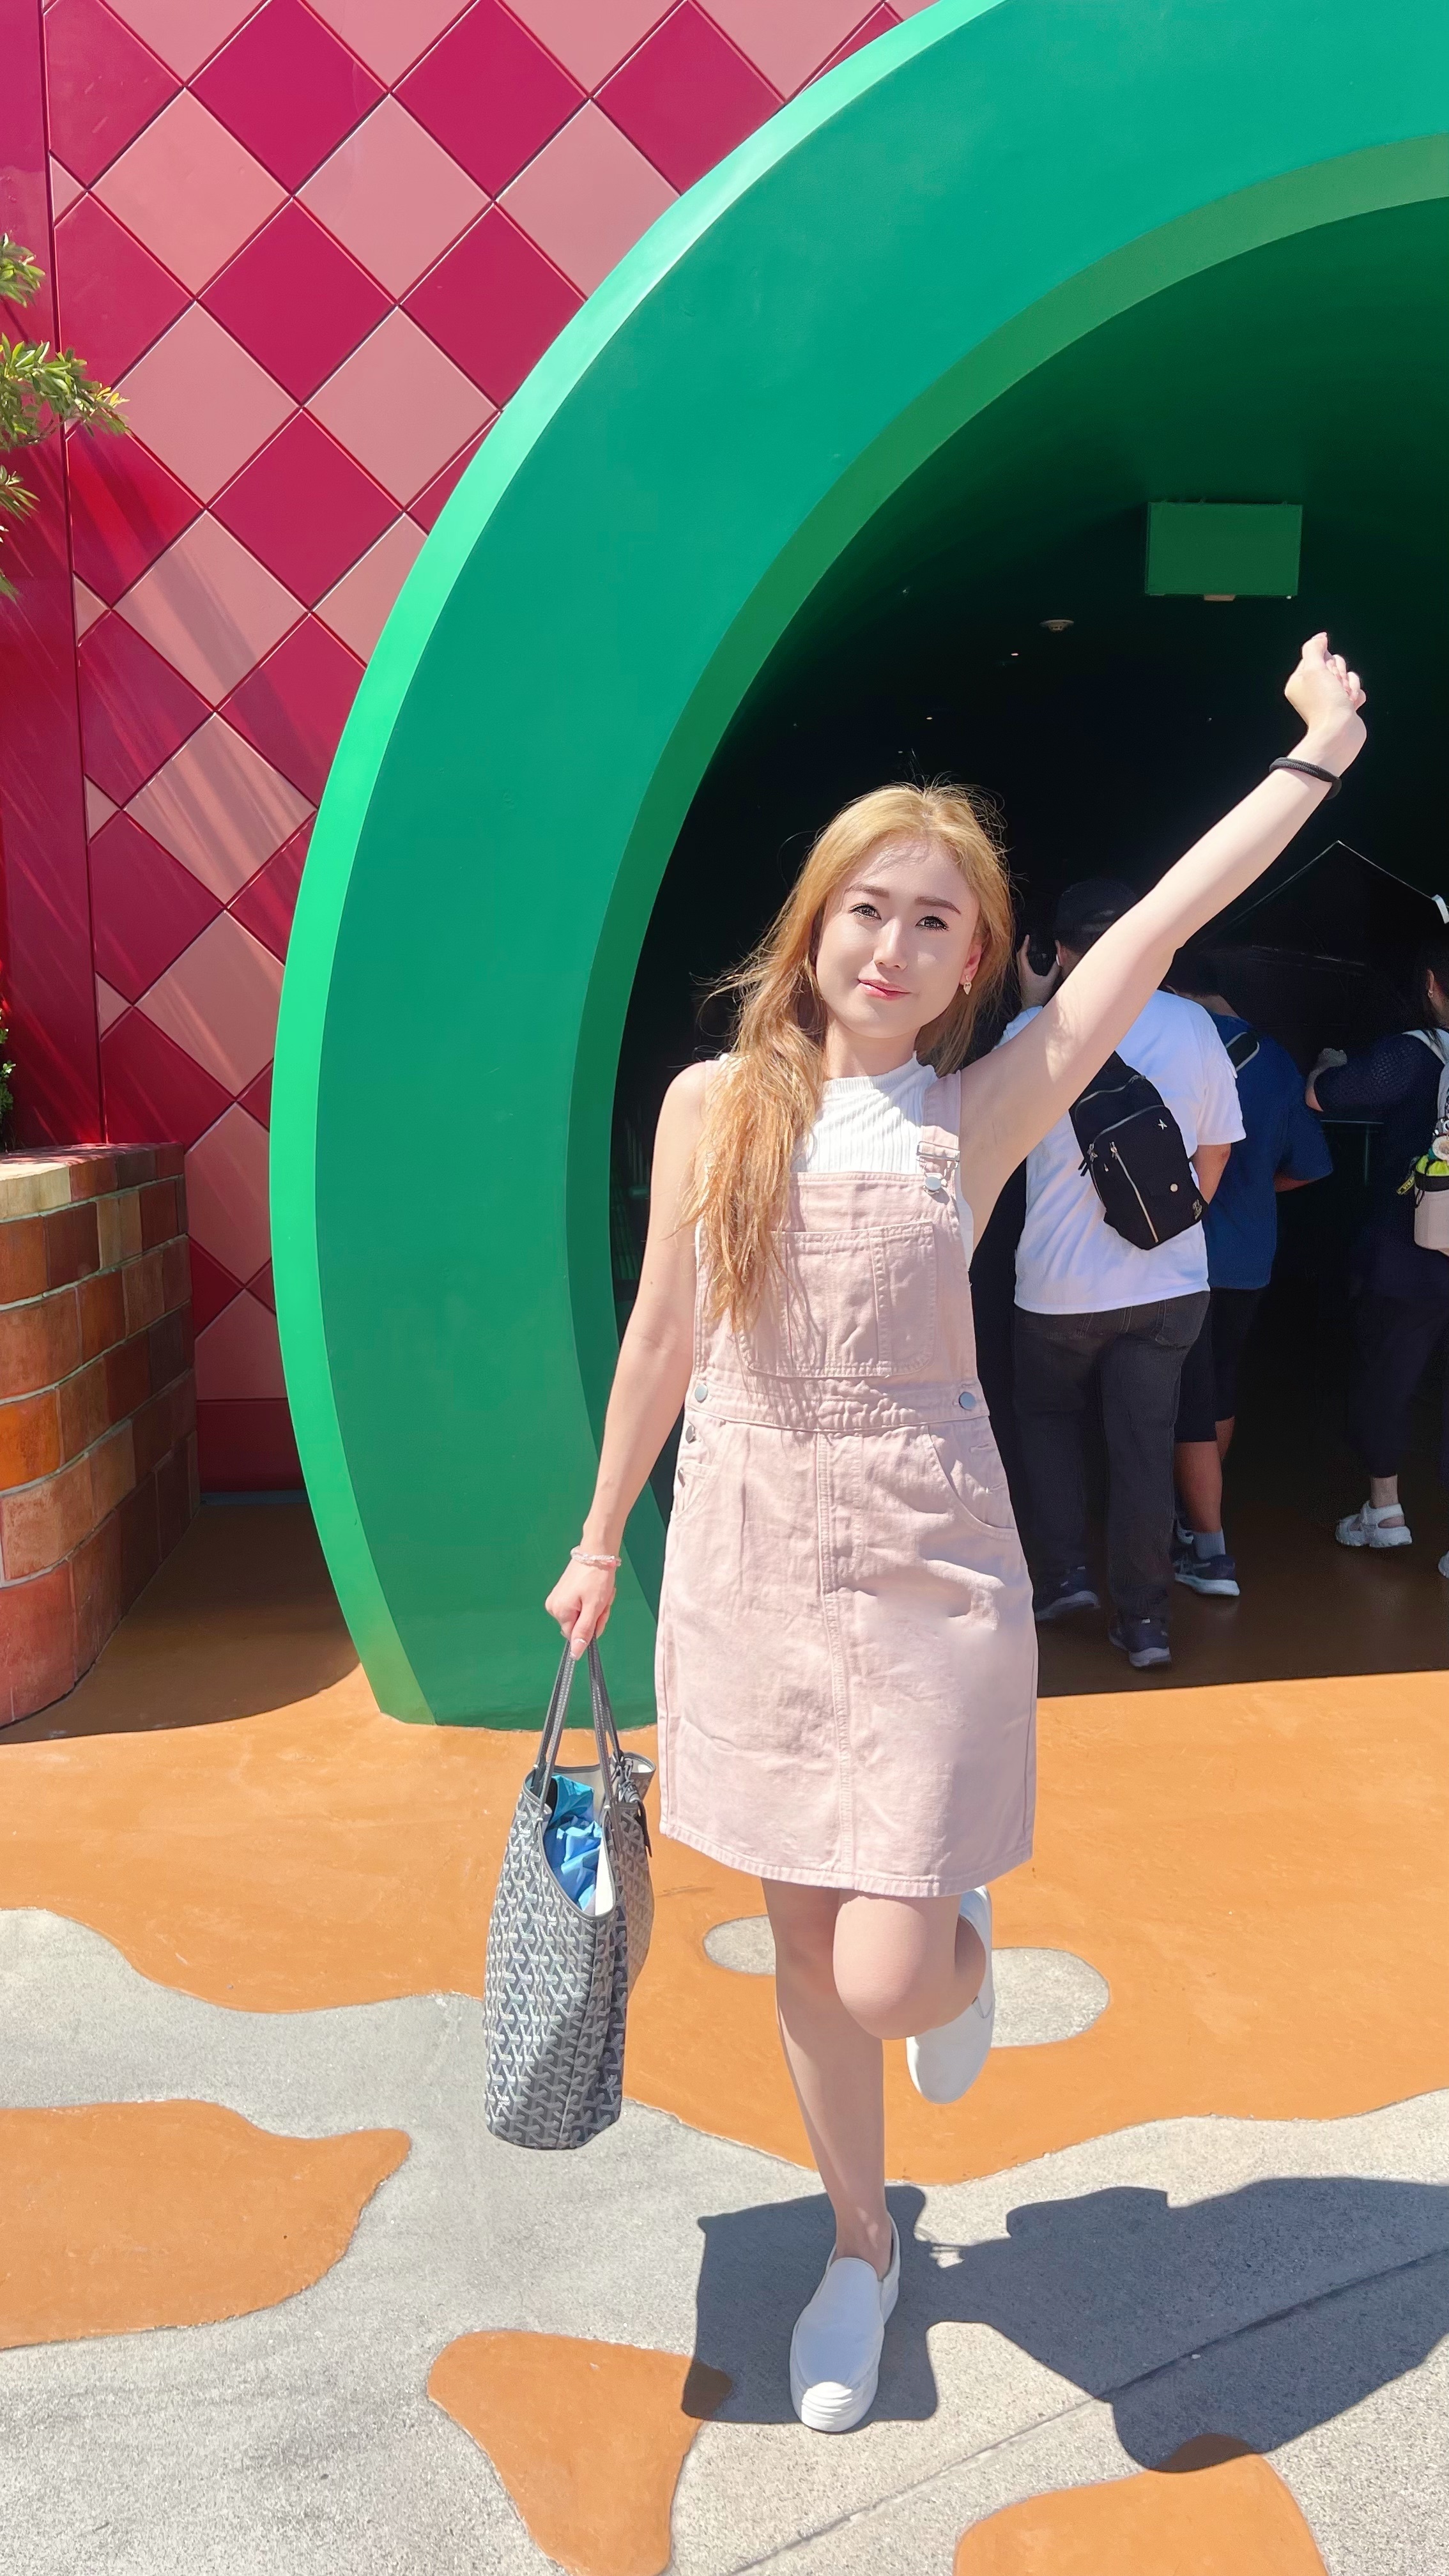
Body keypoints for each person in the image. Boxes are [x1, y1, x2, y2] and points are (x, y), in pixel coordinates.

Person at [546, 636, 1365, 2436]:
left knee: (891, 1972)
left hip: (926, 1560)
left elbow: (1162, 920)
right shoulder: (712, 1107)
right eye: (868, 909)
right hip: (750, 1553)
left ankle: (954, 1944)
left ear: (975, 959)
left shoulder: (977, 1109)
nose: (893, 946)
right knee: (806, 1957)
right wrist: (602, 1537)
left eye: (936, 922)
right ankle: (861, 2248)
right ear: (813, 927)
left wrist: (1317, 755)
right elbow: (664, 1334)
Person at [1005, 883, 1243, 1669]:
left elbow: (996, 1142)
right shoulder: (1195, 1026)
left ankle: (1063, 1578)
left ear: (1058, 951)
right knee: (1144, 1447)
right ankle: (1144, 1626)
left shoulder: (1030, 1033)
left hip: (1057, 1291)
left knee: (1047, 1421)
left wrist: (1032, 1002)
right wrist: (1170, 1226)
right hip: (1171, 1287)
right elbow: (1218, 1150)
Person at [1167, 962, 1334, 1597]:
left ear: (1174, 989)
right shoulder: (1278, 1061)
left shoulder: (1169, 1043)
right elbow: (1311, 1165)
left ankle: (1206, 1545)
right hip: (1249, 1255)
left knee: (1183, 1398)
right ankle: (1195, 1517)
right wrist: (1256, 1190)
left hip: (1179, 1254)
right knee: (1219, 1388)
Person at [1307, 935, 1449, 1565]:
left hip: (1409, 1252)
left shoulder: (1412, 1055)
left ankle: (1385, 1511)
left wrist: (1326, 1064)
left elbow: (1323, 1097)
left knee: (1386, 1377)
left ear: (1431, 985)